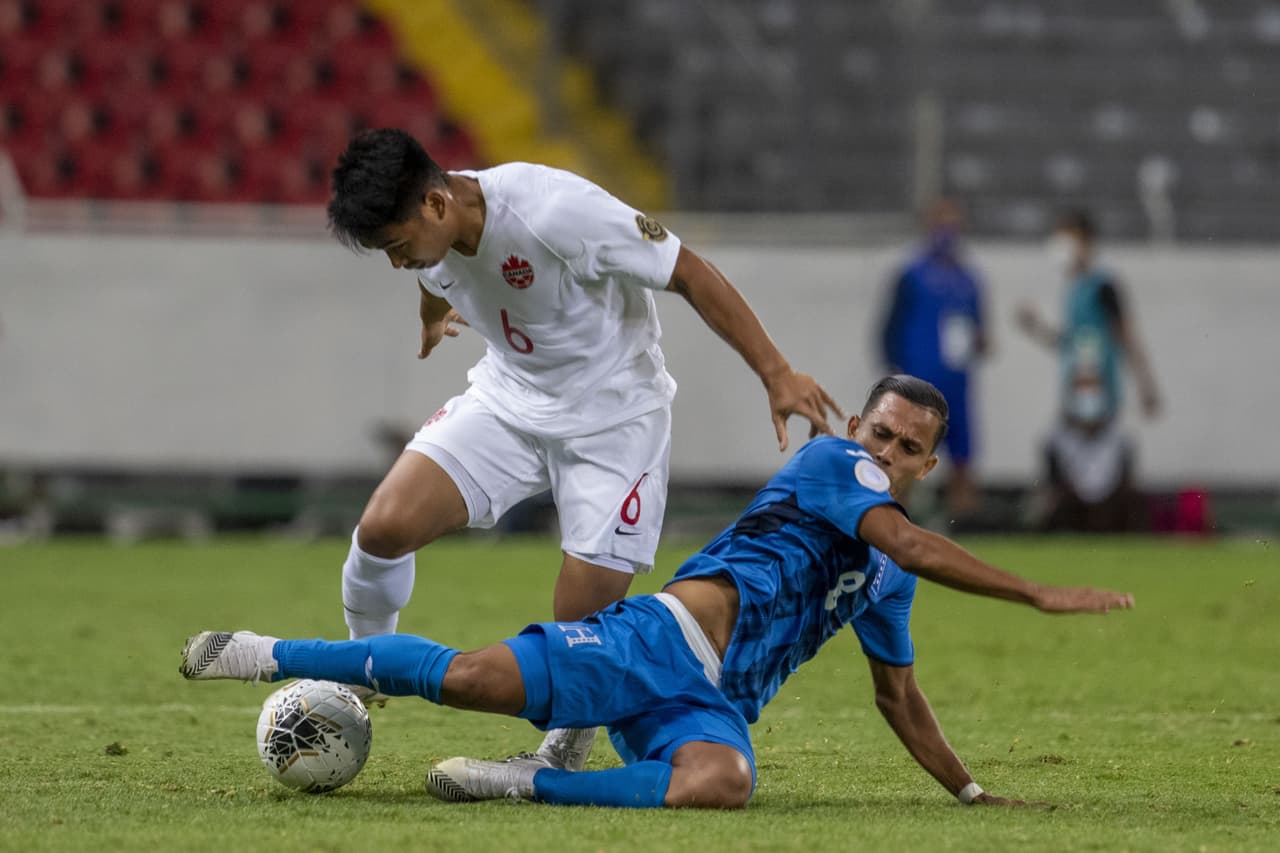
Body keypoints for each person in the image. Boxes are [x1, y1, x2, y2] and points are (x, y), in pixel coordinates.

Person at [181, 376, 1134, 810]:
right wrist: (1036, 592)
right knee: (469, 677)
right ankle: (266, 653)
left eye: (906, 445)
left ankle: (534, 780)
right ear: (858, 426)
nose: (885, 451)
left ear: (931, 458)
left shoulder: (883, 576)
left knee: (725, 780)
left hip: (706, 703)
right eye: (879, 431)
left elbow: (899, 695)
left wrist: (968, 792)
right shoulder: (831, 464)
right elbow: (913, 542)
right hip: (661, 640)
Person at [322, 129, 842, 769]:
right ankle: (362, 673)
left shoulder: (554, 212)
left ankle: (562, 751)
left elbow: (688, 271)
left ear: (435, 204)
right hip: (510, 400)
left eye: (396, 247)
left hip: (613, 417)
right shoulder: (429, 231)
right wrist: (431, 313)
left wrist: (775, 373)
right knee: (382, 528)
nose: (398, 263)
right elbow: (434, 269)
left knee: (582, 616)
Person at [1016, 210, 1161, 532]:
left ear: (1085, 241)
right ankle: (1071, 522)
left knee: (1100, 461)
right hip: (1076, 390)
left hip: (1098, 391)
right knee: (1059, 453)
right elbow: (1071, 345)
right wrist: (1037, 328)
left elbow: (1125, 334)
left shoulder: (1103, 282)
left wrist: (1146, 385)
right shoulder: (1076, 286)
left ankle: (1115, 523)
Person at [879, 199, 988, 516]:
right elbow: (890, 327)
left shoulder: (969, 279)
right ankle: (895, 527)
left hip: (957, 384)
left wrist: (979, 342)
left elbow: (980, 329)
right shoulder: (911, 274)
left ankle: (963, 532)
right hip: (918, 384)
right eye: (942, 224)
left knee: (963, 461)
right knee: (906, 457)